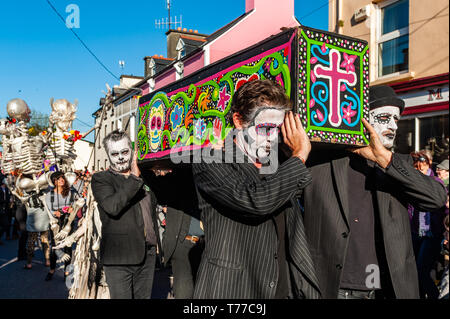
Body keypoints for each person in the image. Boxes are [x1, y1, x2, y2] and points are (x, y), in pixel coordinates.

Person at [302, 85, 448, 299]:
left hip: (386, 288)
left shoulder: (398, 164)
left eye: (396, 120)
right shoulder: (322, 162)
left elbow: (436, 198)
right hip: (333, 286)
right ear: (362, 119)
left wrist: (383, 159)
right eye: (384, 117)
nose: (392, 126)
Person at [192, 79, 320, 299]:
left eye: (278, 130)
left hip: (283, 289)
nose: (273, 138)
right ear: (239, 121)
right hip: (234, 291)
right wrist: (299, 156)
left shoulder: (280, 164)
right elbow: (256, 201)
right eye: (265, 128)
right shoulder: (210, 159)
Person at [91, 130, 160, 299]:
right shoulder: (101, 179)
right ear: (108, 154)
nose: (120, 157)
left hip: (148, 254)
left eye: (125, 152)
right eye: (114, 154)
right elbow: (113, 206)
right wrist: (135, 178)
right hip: (119, 258)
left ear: (132, 150)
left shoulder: (145, 177)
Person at [409, 150, 448, 299]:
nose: (420, 166)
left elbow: (443, 207)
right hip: (415, 231)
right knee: (414, 270)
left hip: (431, 234)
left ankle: (434, 296)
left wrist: (445, 229)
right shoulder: (412, 179)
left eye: (423, 162)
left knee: (421, 270)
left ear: (429, 163)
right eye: (417, 163)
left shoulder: (436, 182)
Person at [44, 171, 79, 281]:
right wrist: (55, 213)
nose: (61, 180)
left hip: (68, 222)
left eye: (62, 178)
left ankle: (66, 270)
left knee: (68, 246)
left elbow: (77, 203)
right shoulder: (50, 195)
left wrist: (72, 208)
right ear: (54, 181)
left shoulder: (71, 192)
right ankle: (52, 270)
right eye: (58, 179)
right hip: (55, 223)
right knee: (55, 246)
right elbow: (49, 210)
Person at [0, 178, 12, 244]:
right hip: (1, 209)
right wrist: (6, 201)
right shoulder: (0, 189)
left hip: (5, 210)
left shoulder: (7, 189)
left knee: (6, 224)